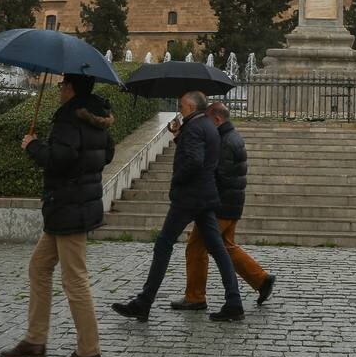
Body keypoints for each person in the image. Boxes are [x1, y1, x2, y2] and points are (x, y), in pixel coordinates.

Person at [0, 72, 114, 357]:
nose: (60, 88)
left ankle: (88, 352)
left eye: (63, 84)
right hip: (72, 205)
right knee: (39, 266)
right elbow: (108, 153)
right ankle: (35, 340)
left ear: (71, 89)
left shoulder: (69, 119)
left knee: (74, 278)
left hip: (68, 206)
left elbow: (60, 158)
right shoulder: (97, 116)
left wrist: (32, 146)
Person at [111, 90, 245, 322]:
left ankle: (144, 302)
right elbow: (200, 154)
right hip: (206, 195)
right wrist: (179, 134)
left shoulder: (194, 128)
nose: (181, 110)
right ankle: (234, 301)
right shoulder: (209, 128)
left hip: (189, 197)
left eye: (183, 106)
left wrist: (177, 180)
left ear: (192, 107)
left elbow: (193, 160)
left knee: (163, 244)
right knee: (217, 249)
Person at [172, 101, 275, 311]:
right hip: (231, 204)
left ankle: (195, 296)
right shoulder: (230, 136)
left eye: (208, 121)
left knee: (196, 247)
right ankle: (261, 279)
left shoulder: (222, 141)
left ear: (217, 119)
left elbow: (212, 171)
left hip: (219, 206)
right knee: (225, 246)